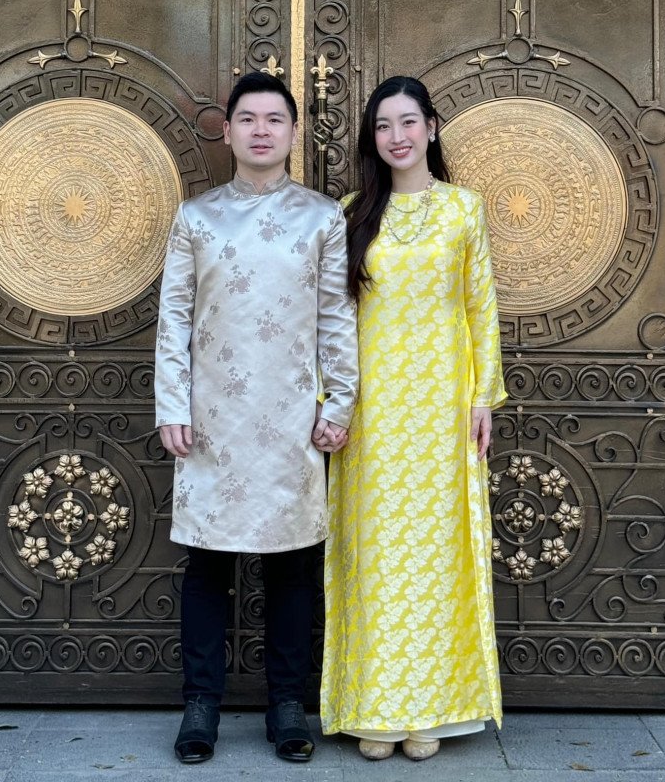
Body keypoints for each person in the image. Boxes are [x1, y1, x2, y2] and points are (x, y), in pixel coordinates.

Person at [155, 71, 358, 765]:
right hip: (211, 417)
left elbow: (336, 317)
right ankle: (200, 706)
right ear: (229, 130)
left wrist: (340, 403)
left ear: (294, 132)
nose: (262, 130)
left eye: (275, 119)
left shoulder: (322, 218)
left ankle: (287, 706)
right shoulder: (197, 217)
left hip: (292, 415)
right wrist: (172, 404)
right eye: (249, 118)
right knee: (208, 563)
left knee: (293, 565)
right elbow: (174, 318)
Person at [318, 75, 506, 761]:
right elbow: (333, 316)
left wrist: (483, 396)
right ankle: (376, 707)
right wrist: (332, 401)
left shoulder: (463, 208)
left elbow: (480, 305)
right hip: (372, 410)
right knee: (374, 554)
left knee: (437, 555)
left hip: (440, 409)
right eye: (382, 126)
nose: (395, 137)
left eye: (407, 122)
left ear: (431, 127)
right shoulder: (350, 212)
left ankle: (431, 710)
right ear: (373, 139)